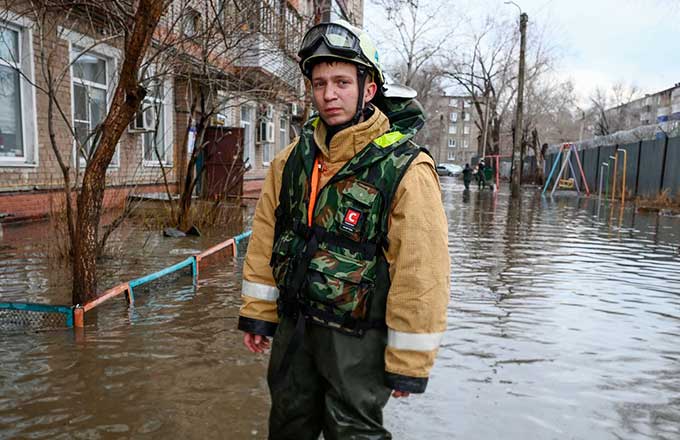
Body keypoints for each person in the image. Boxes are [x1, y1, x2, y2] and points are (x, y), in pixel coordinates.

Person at [237, 19, 450, 439]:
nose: (328, 95)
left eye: (341, 82)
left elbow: (422, 271)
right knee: (287, 426)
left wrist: (408, 361)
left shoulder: (406, 168)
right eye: (319, 84)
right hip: (295, 330)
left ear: (368, 89)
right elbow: (266, 238)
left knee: (354, 433)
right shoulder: (290, 161)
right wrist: (258, 315)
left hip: (358, 340)